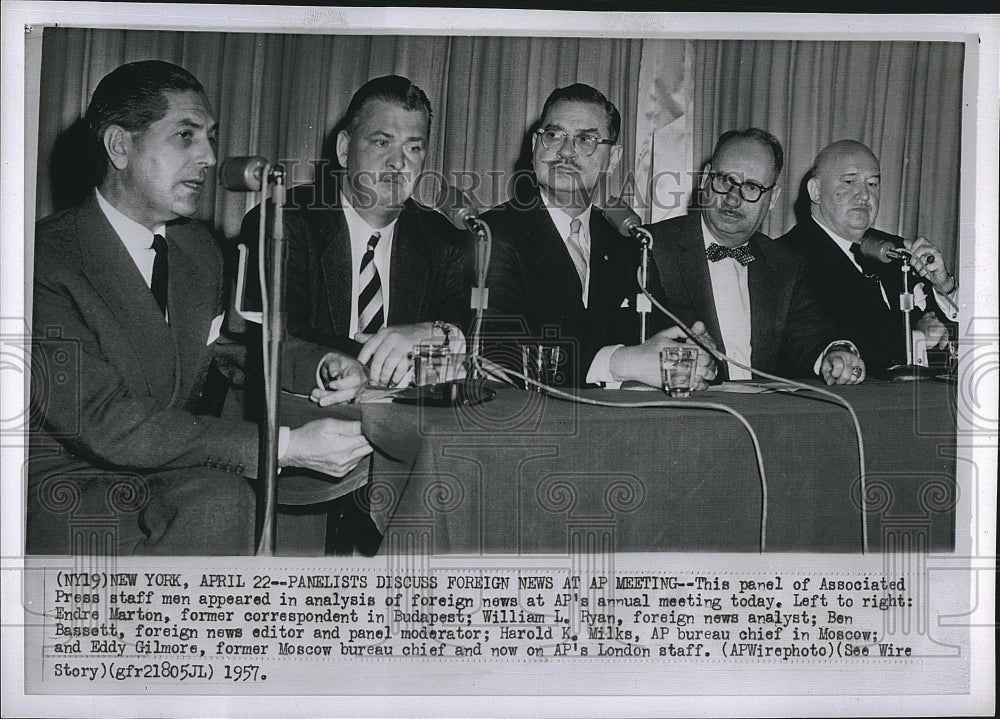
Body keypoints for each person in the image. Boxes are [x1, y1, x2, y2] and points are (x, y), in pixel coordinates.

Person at [29, 60, 372, 556]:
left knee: (256, 507)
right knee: (221, 501)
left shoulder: (197, 251)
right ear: (120, 146)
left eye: (210, 137)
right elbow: (103, 420)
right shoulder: (43, 259)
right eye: (185, 136)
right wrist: (283, 446)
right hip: (68, 486)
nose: (209, 156)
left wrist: (321, 364)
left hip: (164, 473)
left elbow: (234, 350)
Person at [242, 74, 471, 390]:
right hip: (300, 418)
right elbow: (283, 341)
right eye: (382, 142)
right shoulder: (283, 221)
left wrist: (433, 332)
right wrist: (392, 357)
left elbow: (465, 333)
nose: (398, 163)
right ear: (344, 149)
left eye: (414, 148)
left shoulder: (445, 241)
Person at [483, 83, 715, 389]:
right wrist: (620, 363)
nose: (566, 151)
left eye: (586, 139)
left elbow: (655, 335)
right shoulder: (491, 234)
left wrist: (687, 348)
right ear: (534, 146)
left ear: (613, 158)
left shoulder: (629, 244)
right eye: (554, 135)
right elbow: (498, 351)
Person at [647, 128, 866, 385]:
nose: (732, 198)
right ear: (705, 178)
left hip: (760, 418)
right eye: (725, 180)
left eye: (751, 187)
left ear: (772, 198)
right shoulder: (651, 247)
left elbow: (809, 334)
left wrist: (834, 353)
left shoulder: (786, 264)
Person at [778, 140, 958, 372]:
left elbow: (951, 336)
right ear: (816, 191)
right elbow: (822, 348)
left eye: (873, 184)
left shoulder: (896, 248)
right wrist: (916, 340)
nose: (864, 195)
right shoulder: (785, 259)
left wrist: (944, 286)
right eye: (850, 182)